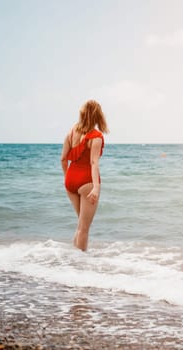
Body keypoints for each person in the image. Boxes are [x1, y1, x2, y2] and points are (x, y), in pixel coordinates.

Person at [60, 100, 109, 251]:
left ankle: (73, 258)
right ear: (98, 116)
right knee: (84, 228)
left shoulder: (72, 131)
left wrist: (68, 178)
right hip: (86, 181)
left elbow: (63, 159)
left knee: (81, 225)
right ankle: (80, 264)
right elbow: (94, 163)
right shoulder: (96, 136)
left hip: (70, 180)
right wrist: (96, 187)